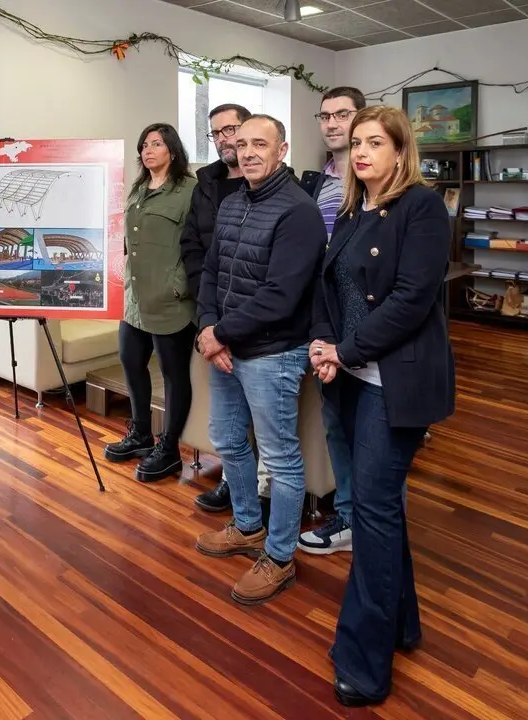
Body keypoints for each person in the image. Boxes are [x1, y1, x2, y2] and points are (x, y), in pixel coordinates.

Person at [309, 105, 454, 707]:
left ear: (400, 151)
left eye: (376, 142)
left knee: (371, 513)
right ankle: (402, 624)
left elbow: (411, 300)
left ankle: (364, 664)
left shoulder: (421, 207)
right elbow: (327, 287)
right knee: (380, 509)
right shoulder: (349, 211)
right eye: (357, 143)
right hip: (346, 376)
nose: (361, 151)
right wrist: (324, 347)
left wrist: (342, 351)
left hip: (391, 383)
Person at [192, 114, 327, 605]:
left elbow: (281, 295)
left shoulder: (299, 212)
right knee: (228, 438)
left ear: (282, 150)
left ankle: (279, 555)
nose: (247, 152)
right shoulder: (231, 203)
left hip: (272, 352)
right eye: (241, 143)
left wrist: (217, 334)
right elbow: (211, 270)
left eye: (259, 144)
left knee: (281, 458)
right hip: (227, 347)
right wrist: (209, 327)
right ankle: (247, 525)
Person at [103, 123, 197, 481]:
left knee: (173, 376)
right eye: (144, 144)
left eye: (156, 143)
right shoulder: (139, 188)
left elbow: (198, 245)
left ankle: (169, 448)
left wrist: (178, 287)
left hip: (170, 301)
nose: (148, 150)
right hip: (135, 299)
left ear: (172, 150)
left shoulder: (190, 190)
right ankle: (141, 433)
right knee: (130, 361)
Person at [295, 86, 366, 555]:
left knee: (368, 426)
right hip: (322, 315)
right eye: (325, 116)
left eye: (343, 114)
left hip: (361, 317)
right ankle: (348, 514)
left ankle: (369, 518)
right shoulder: (317, 182)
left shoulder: (374, 180)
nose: (333, 123)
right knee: (337, 421)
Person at [179, 103, 252, 510]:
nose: (225, 138)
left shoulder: (276, 182)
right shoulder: (205, 183)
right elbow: (191, 245)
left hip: (256, 318)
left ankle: (257, 488)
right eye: (217, 133)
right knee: (226, 415)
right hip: (210, 313)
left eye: (232, 129)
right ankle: (232, 481)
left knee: (260, 411)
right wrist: (206, 312)